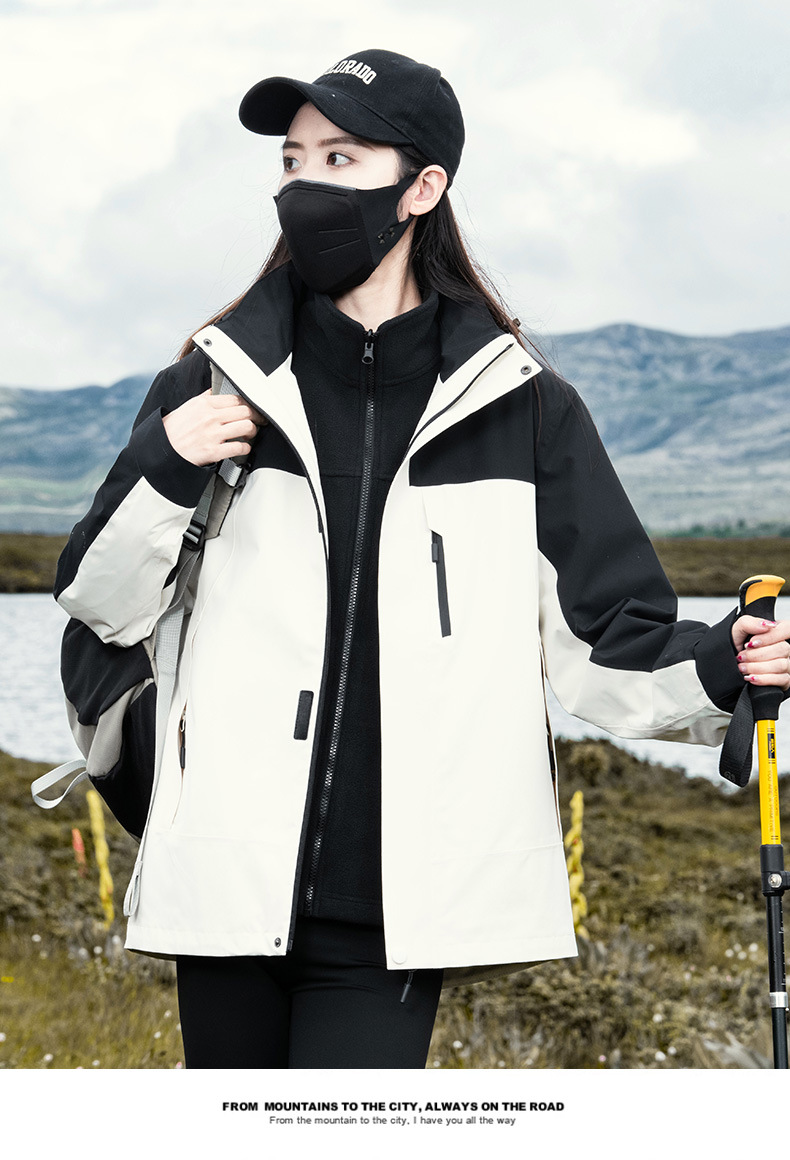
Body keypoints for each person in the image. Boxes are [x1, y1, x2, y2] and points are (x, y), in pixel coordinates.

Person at [54, 49, 790, 1069]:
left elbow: (605, 636)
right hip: (224, 880)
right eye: (292, 160)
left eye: (340, 158)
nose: (304, 185)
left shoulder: (524, 410)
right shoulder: (212, 383)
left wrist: (723, 662)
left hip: (397, 912)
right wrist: (164, 465)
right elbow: (101, 603)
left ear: (422, 187)